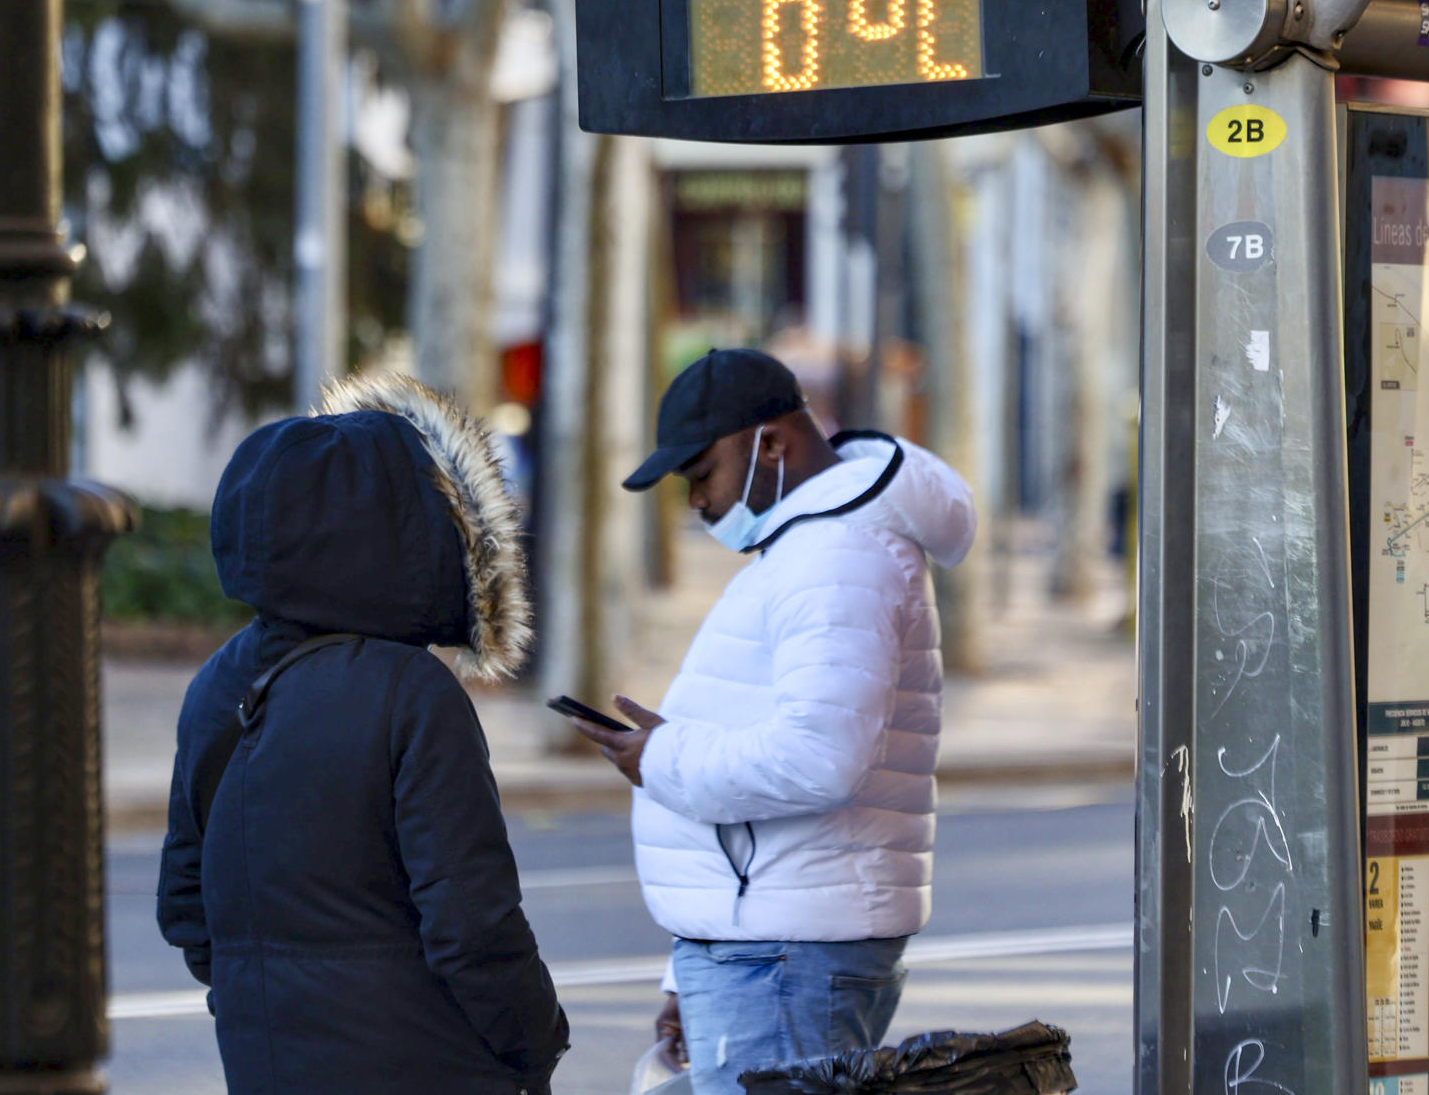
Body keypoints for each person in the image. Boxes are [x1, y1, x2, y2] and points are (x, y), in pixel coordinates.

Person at [567, 348, 976, 1095]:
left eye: (701, 477)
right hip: (770, 945)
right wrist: (690, 966)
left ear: (772, 444)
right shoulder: (818, 543)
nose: (697, 503)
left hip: (784, 953)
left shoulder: (837, 552)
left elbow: (820, 756)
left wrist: (661, 759)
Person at [156, 371, 568, 1095]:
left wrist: (266, 1009)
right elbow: (473, 927)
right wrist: (536, 1044)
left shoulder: (216, 685)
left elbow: (186, 909)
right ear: (398, 530)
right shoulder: (412, 694)